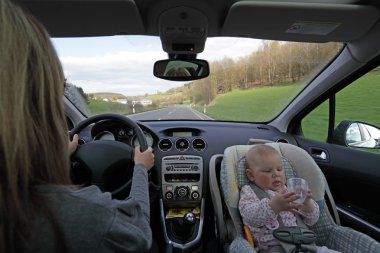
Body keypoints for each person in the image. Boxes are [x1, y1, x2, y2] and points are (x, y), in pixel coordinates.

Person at [0, 0, 154, 252]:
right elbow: (140, 234)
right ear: (40, 106)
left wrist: (58, 157)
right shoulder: (87, 218)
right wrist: (140, 168)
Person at [238, 145, 339, 253]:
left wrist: (307, 204)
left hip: (304, 244)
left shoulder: (290, 190)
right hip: (273, 247)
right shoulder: (249, 191)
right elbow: (250, 216)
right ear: (251, 175)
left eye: (279, 169)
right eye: (267, 171)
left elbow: (311, 221)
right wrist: (273, 206)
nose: (275, 174)